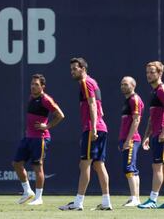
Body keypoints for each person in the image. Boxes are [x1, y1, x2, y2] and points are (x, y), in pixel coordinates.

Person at [59, 57, 112, 211]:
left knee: (85, 164)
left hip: (92, 128)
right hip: (102, 127)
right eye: (71, 69)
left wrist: (93, 127)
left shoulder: (85, 82)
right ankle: (106, 202)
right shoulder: (93, 82)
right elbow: (100, 107)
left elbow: (93, 105)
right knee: (99, 165)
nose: (72, 72)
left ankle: (78, 203)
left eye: (75, 69)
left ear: (83, 68)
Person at [12, 74, 65, 205]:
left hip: (40, 138)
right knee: (17, 163)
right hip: (28, 137)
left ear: (42, 86)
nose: (33, 87)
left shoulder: (46, 99)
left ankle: (39, 198)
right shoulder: (31, 97)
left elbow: (60, 115)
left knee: (37, 167)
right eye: (32, 84)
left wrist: (47, 126)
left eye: (36, 84)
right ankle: (28, 191)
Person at [138, 61, 164, 209]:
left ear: (160, 73)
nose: (149, 75)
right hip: (155, 134)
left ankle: (153, 200)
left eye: (152, 72)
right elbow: (151, 117)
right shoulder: (154, 92)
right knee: (158, 167)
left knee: (157, 167)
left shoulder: (161, 90)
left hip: (161, 135)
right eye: (147, 72)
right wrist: (147, 135)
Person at [118, 76, 144, 207]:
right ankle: (135, 198)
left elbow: (136, 120)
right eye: (122, 84)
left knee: (129, 168)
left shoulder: (134, 99)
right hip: (126, 140)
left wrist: (128, 140)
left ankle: (135, 198)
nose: (123, 86)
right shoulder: (127, 100)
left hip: (132, 140)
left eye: (126, 84)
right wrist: (122, 140)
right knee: (132, 169)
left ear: (133, 85)